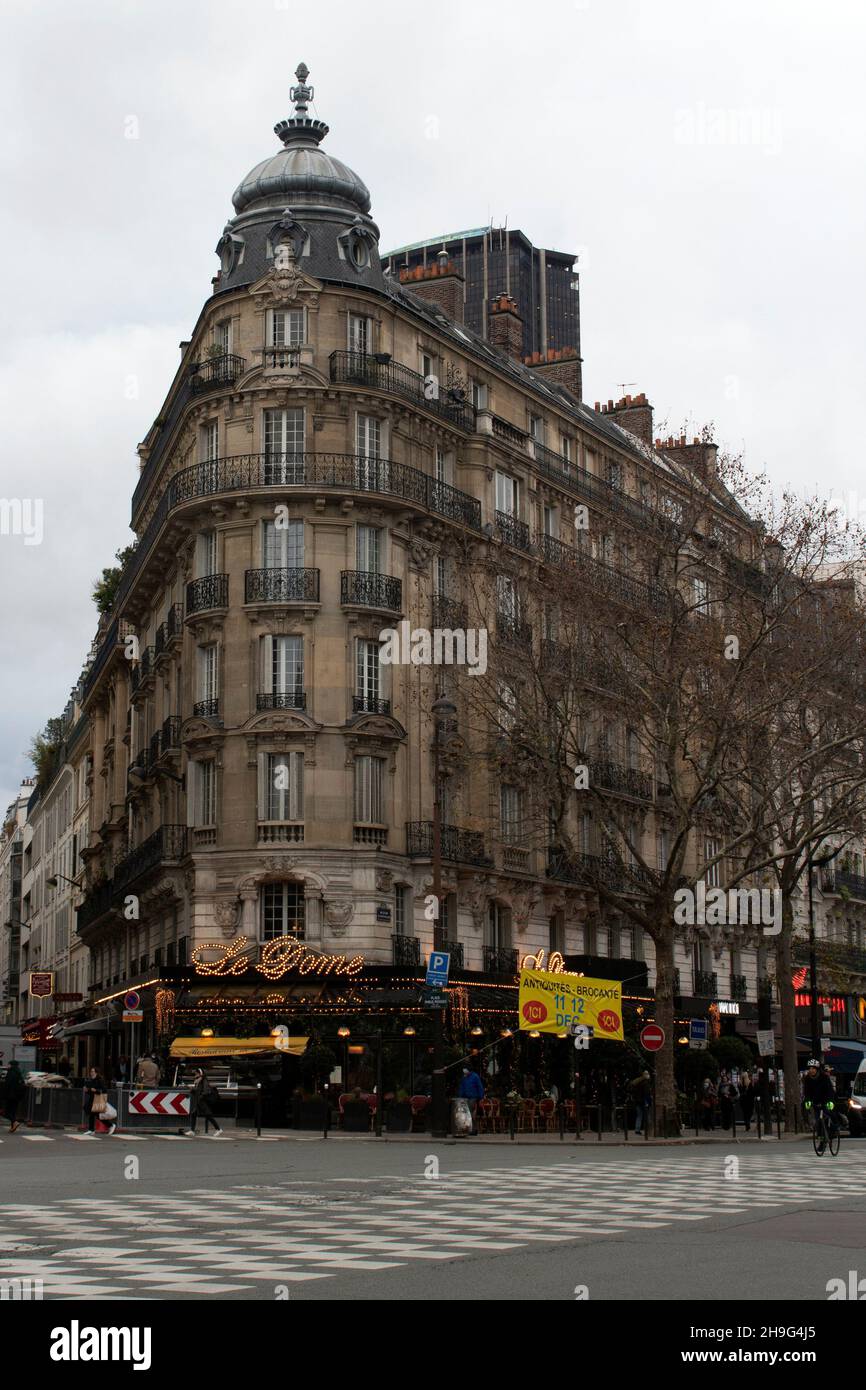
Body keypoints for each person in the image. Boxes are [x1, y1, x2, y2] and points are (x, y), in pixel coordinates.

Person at [803, 1059, 836, 1138]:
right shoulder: (807, 1079)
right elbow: (806, 1091)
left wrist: (830, 1101)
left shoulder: (824, 1077)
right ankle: (821, 1137)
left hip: (826, 1099)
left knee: (829, 1113)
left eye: (813, 1068)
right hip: (816, 1101)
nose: (811, 1070)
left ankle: (833, 1128)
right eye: (810, 1068)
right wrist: (807, 1101)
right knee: (818, 1119)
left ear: (817, 1069)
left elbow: (830, 1090)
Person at [186, 1069, 223, 1136]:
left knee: (208, 1115)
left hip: (201, 1101)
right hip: (198, 1101)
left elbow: (206, 1091)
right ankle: (192, 1130)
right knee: (193, 1113)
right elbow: (198, 1090)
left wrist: (200, 1096)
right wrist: (192, 1089)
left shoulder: (203, 1080)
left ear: (200, 1073)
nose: (195, 1074)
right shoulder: (198, 1080)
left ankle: (218, 1129)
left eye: (196, 1073)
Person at [83, 1068, 114, 1135]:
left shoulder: (100, 1080)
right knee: (93, 1114)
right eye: (90, 1071)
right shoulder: (91, 1080)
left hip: (98, 1100)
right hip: (92, 1099)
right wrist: (87, 1090)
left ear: (96, 1072)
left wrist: (96, 1091)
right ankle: (92, 1129)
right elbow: (91, 1091)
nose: (91, 1073)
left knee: (97, 1115)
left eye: (92, 1071)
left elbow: (104, 1090)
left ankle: (110, 1125)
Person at [458, 1067, 485, 1134]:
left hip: (473, 1097)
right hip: (465, 1097)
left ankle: (472, 1129)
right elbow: (462, 1087)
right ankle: (471, 1129)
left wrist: (481, 1097)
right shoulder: (464, 1077)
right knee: (467, 1113)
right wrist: (460, 1096)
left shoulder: (475, 1076)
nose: (464, 1071)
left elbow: (479, 1086)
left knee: (469, 1112)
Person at [2, 1060, 26, 1133]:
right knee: (12, 1111)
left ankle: (15, 1122)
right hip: (17, 1096)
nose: (7, 1065)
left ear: (11, 1065)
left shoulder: (11, 1072)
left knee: (6, 1113)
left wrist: (4, 1095)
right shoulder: (18, 1073)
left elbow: (8, 1085)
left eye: (8, 1064)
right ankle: (12, 1127)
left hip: (10, 1096)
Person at [629, 1070, 652, 1135]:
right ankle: (649, 1129)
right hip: (644, 1101)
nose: (648, 1075)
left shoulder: (637, 1082)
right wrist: (649, 1102)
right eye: (647, 1074)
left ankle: (637, 1130)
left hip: (637, 1101)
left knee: (639, 1116)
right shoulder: (645, 1083)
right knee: (648, 1115)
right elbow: (647, 1093)